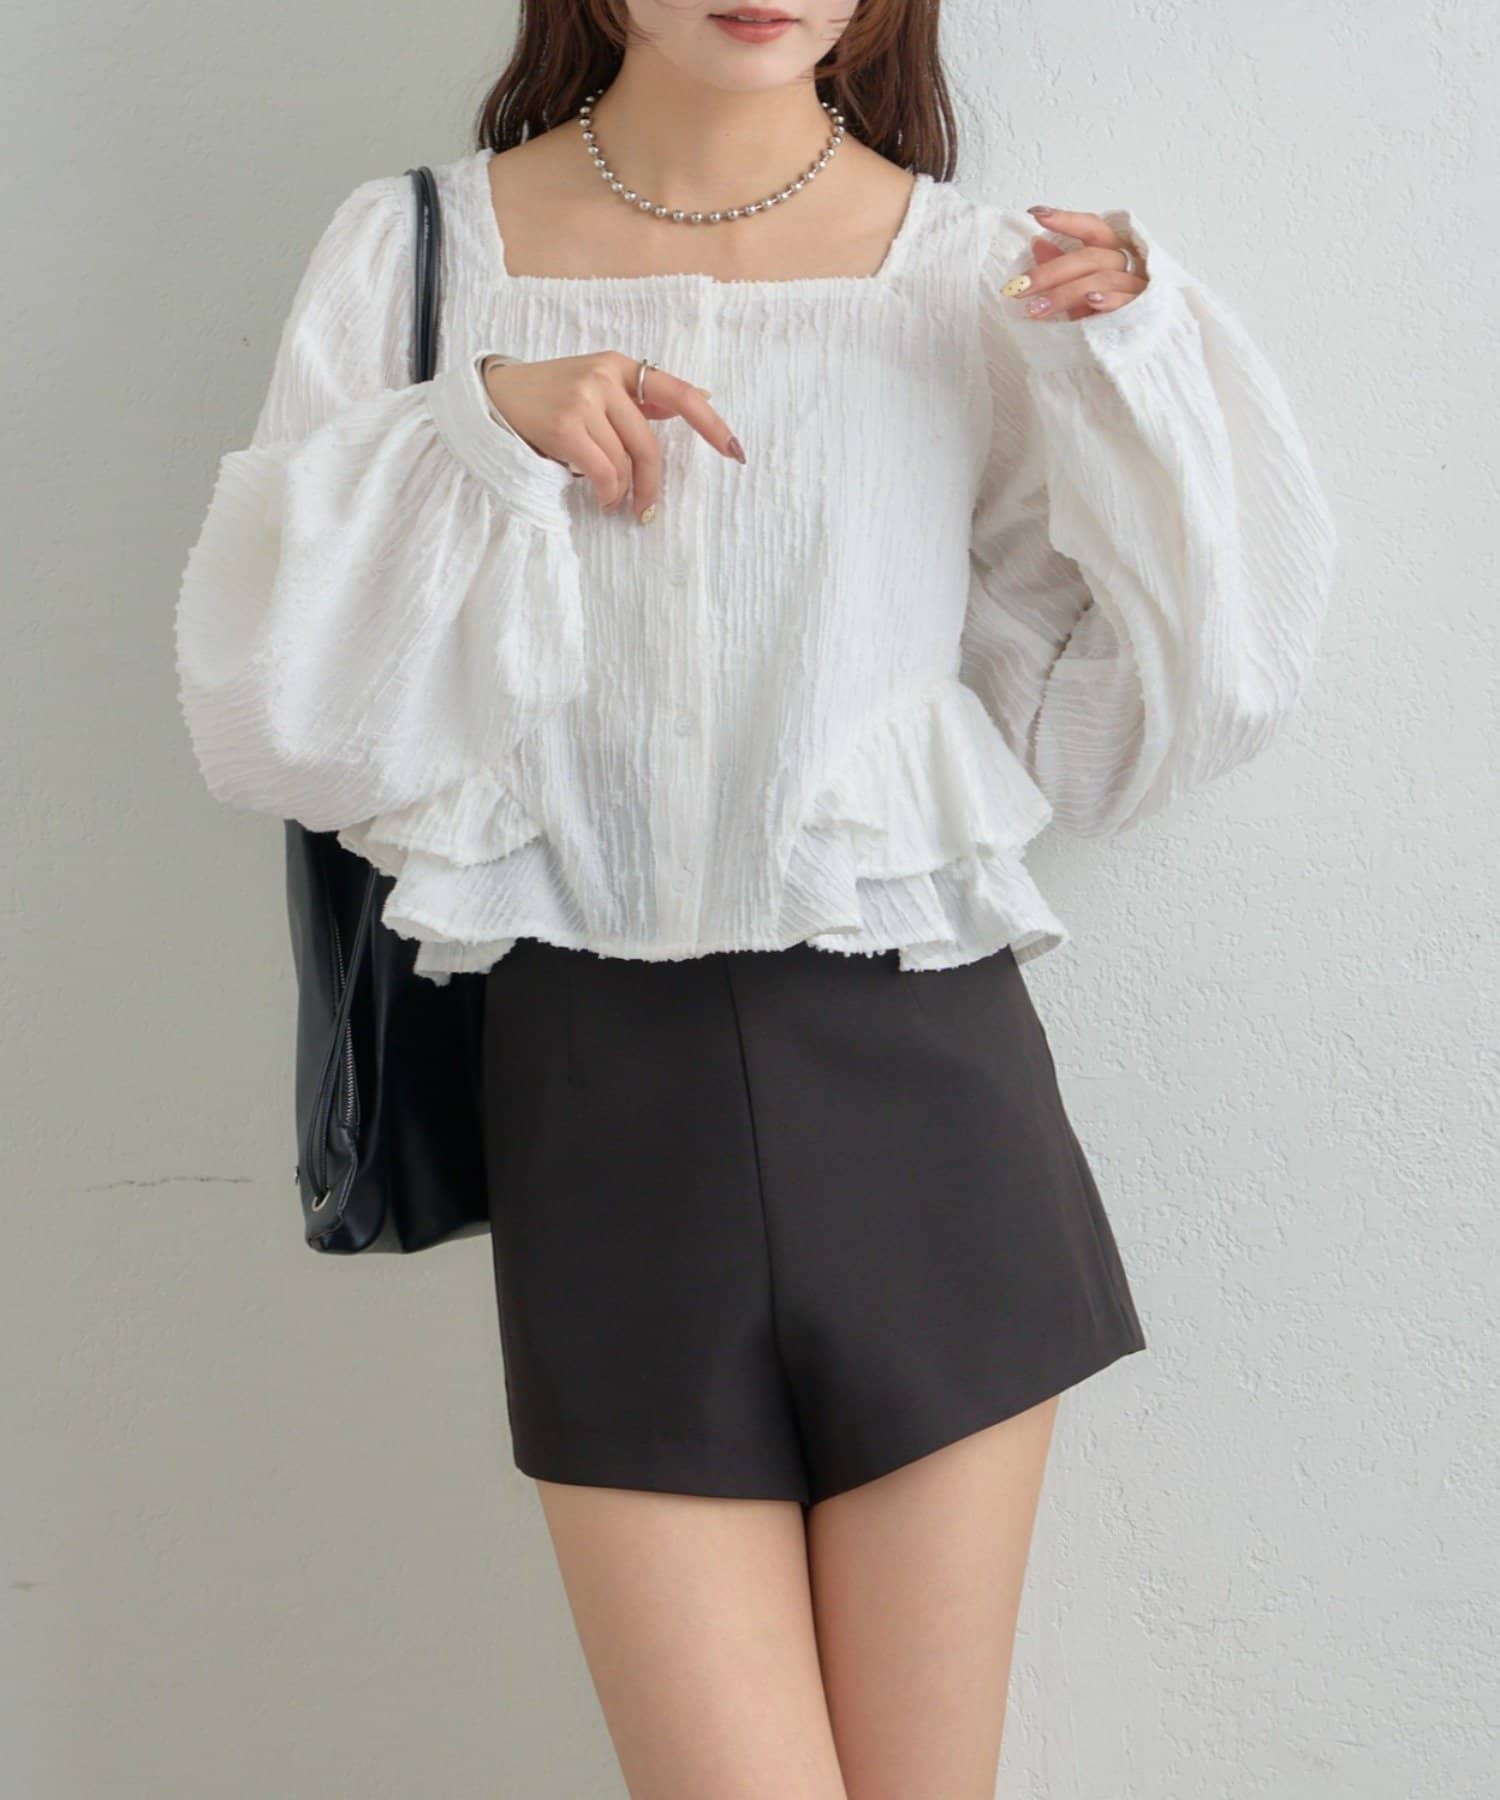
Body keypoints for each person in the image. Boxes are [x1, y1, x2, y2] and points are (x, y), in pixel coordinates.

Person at [173, 3, 1338, 1793]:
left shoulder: (975, 276)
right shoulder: (415, 253)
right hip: (594, 1105)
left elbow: (1137, 721)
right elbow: (276, 707)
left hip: (928, 1094)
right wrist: (483, 427)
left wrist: (1140, 369)